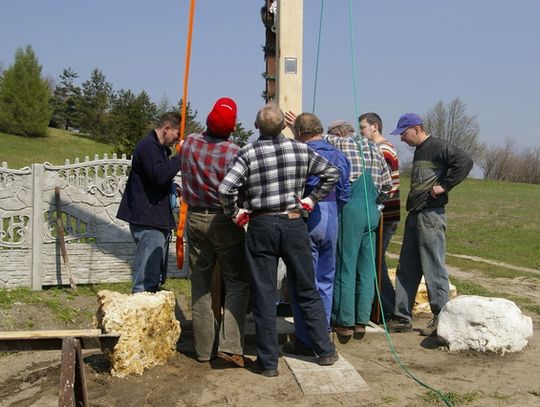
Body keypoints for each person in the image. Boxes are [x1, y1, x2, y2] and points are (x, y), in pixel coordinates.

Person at [219, 103, 340, 377]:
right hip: (294, 221)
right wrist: (310, 199)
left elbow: (226, 188)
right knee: (307, 288)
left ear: (256, 126)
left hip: (261, 223)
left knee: (263, 293)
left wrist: (236, 213)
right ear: (284, 126)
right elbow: (332, 174)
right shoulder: (301, 149)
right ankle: (325, 350)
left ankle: (268, 363)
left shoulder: (247, 152)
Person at [387, 113, 473, 336]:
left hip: (431, 216)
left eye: (404, 134)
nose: (402, 139)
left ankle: (442, 320)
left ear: (416, 129)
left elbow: (465, 162)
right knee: (406, 268)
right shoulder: (420, 150)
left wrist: (444, 185)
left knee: (433, 268)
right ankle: (402, 317)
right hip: (415, 214)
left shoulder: (437, 146)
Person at [180, 97, 250, 367]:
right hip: (224, 219)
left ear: (208, 120)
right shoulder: (235, 152)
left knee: (200, 285)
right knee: (237, 282)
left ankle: (203, 349)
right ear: (232, 128)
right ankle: (230, 345)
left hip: (195, 218)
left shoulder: (188, 145)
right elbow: (240, 189)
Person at [283, 112, 351, 356]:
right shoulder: (338, 154)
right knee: (325, 278)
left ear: (300, 133)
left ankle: (305, 338)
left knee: (303, 279)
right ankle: (322, 332)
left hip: (307, 213)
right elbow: (344, 191)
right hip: (331, 213)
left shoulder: (301, 153)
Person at [325, 120, 392, 339]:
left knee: (345, 264)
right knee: (366, 266)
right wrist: (376, 203)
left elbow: (320, 139)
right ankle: (362, 319)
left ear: (338, 132)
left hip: (351, 209)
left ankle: (344, 321)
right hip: (372, 209)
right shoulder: (373, 147)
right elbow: (387, 184)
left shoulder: (341, 142)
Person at [117, 112, 182, 293]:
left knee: (153, 275)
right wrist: (180, 158)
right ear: (167, 128)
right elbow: (159, 176)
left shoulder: (157, 148)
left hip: (154, 218)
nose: (177, 140)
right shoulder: (148, 147)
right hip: (148, 219)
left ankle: (147, 310)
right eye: (177, 134)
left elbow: (157, 178)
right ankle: (141, 311)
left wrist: (173, 188)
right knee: (146, 279)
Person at [359, 112, 400, 321]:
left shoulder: (383, 150)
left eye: (363, 127)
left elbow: (388, 184)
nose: (361, 132)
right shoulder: (378, 149)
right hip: (381, 213)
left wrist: (377, 205)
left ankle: (389, 309)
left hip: (385, 214)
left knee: (376, 262)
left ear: (374, 127)